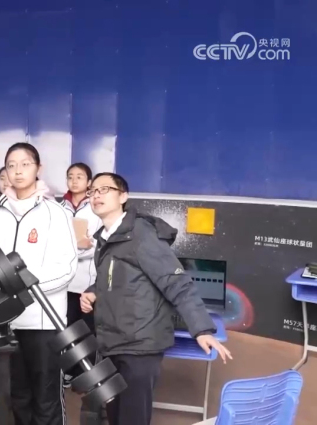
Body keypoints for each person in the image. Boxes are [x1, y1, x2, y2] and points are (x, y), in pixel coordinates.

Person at [80, 172, 232, 425]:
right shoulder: (105, 238)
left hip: (139, 345)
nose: (97, 195)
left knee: (132, 418)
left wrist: (202, 329)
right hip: (113, 341)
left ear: (123, 196)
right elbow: (115, 276)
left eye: (104, 189)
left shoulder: (141, 235)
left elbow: (177, 282)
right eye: (92, 191)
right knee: (115, 414)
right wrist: (94, 290)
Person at [0, 143, 78, 425]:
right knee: (16, 394)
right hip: (5, 322)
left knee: (46, 396)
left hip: (43, 322)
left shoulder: (55, 213)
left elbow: (66, 267)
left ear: (38, 168)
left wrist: (20, 286)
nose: (18, 171)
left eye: (25, 164)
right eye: (11, 165)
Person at [59, 163, 102, 389]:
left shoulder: (95, 207)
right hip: (63, 282)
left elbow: (98, 245)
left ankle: (84, 373)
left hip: (87, 283)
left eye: (79, 177)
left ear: (89, 182)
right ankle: (67, 371)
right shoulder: (59, 208)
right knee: (67, 329)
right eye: (70, 176)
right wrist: (77, 247)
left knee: (86, 330)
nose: (74, 181)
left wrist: (78, 248)